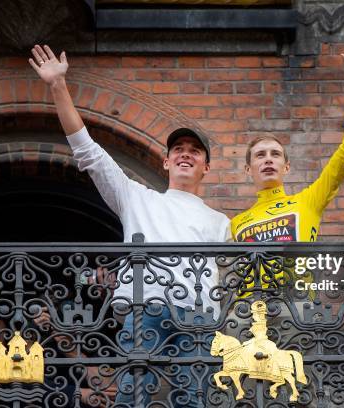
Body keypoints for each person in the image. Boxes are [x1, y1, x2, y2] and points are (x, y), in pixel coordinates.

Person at [29, 44, 231, 407]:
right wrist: (58, 85)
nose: (185, 153)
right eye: (178, 150)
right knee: (132, 395)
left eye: (195, 151)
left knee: (196, 398)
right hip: (146, 307)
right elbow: (89, 152)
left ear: (206, 168)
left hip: (200, 318)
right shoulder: (137, 197)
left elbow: (229, 280)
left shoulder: (220, 222)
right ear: (167, 163)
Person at [230, 36, 344, 291]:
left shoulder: (309, 200)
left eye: (275, 154)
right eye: (260, 155)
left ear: (286, 167)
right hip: (247, 315)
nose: (268, 159)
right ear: (247, 169)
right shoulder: (234, 224)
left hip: (296, 310)